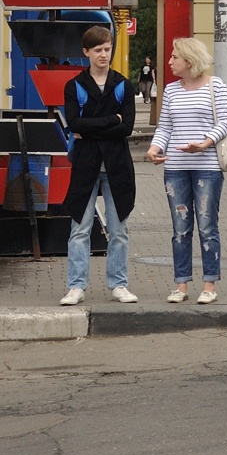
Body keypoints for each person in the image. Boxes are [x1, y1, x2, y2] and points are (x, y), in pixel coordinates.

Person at [146, 37, 227, 304]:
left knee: (207, 225)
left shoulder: (215, 86)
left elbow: (225, 121)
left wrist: (205, 142)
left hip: (207, 168)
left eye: (174, 57)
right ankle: (181, 285)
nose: (169, 61)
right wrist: (154, 148)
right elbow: (165, 127)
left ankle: (209, 285)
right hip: (176, 168)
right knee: (180, 228)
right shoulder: (171, 90)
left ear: (190, 61)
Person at [59, 25, 138, 306]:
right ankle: (75, 286)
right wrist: (112, 120)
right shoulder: (75, 86)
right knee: (79, 228)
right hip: (86, 164)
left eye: (107, 49)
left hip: (116, 165)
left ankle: (119, 284)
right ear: (86, 53)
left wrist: (93, 128)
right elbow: (74, 124)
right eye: (98, 50)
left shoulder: (123, 85)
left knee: (119, 230)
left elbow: (127, 127)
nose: (104, 54)